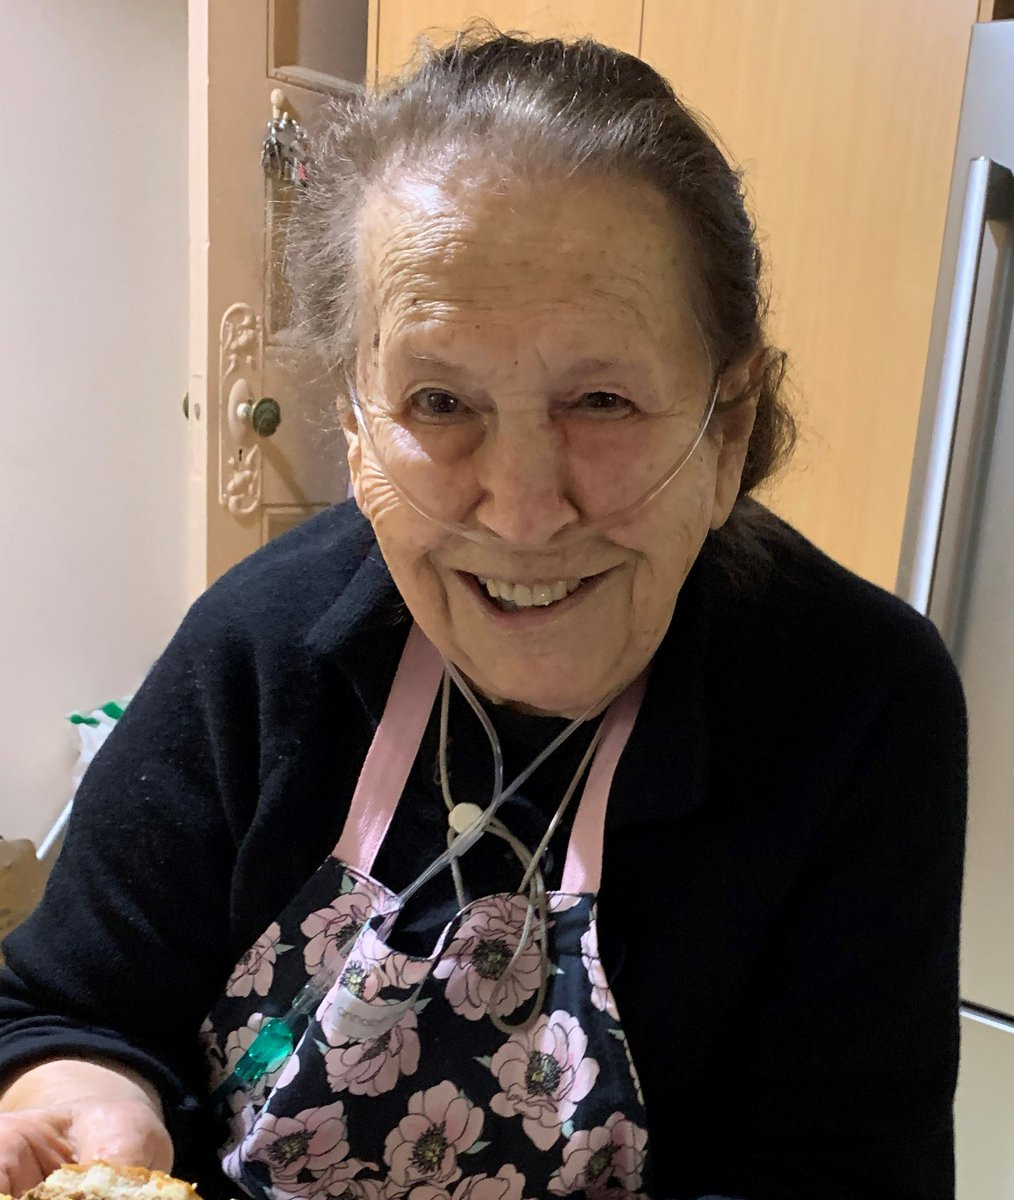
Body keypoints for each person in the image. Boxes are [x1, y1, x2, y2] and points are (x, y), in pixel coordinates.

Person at [0, 28, 967, 1200]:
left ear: (727, 430)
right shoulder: (261, 648)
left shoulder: (857, 702)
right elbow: (64, 1005)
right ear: (356, 429)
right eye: (439, 401)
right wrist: (77, 1091)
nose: (520, 511)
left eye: (600, 399)